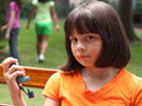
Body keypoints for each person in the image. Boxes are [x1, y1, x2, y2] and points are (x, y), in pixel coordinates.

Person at [2, 1, 142, 106]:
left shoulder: (136, 89)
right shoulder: (59, 81)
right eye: (74, 39)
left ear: (112, 38)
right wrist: (16, 95)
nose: (79, 47)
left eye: (89, 37)